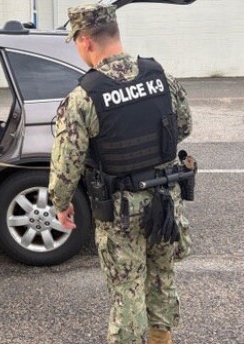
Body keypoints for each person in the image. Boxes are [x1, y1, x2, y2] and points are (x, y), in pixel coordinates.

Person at [48, 4, 193, 344]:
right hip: (165, 200)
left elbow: (67, 163)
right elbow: (183, 125)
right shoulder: (160, 77)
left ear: (85, 41)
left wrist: (60, 202)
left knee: (127, 291)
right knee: (161, 278)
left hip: (121, 211)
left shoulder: (84, 96)